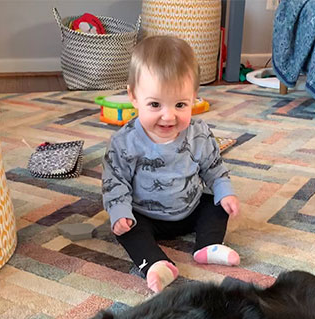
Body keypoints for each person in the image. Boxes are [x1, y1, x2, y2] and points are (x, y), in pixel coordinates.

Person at [102, 35, 240, 293]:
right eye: (155, 104)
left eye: (180, 104)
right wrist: (120, 212)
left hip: (190, 207)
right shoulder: (125, 142)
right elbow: (115, 182)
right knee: (125, 230)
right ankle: (155, 263)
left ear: (194, 98)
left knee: (217, 203)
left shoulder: (198, 133)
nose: (168, 116)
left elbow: (214, 168)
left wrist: (225, 192)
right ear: (133, 97)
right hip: (145, 215)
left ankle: (207, 246)